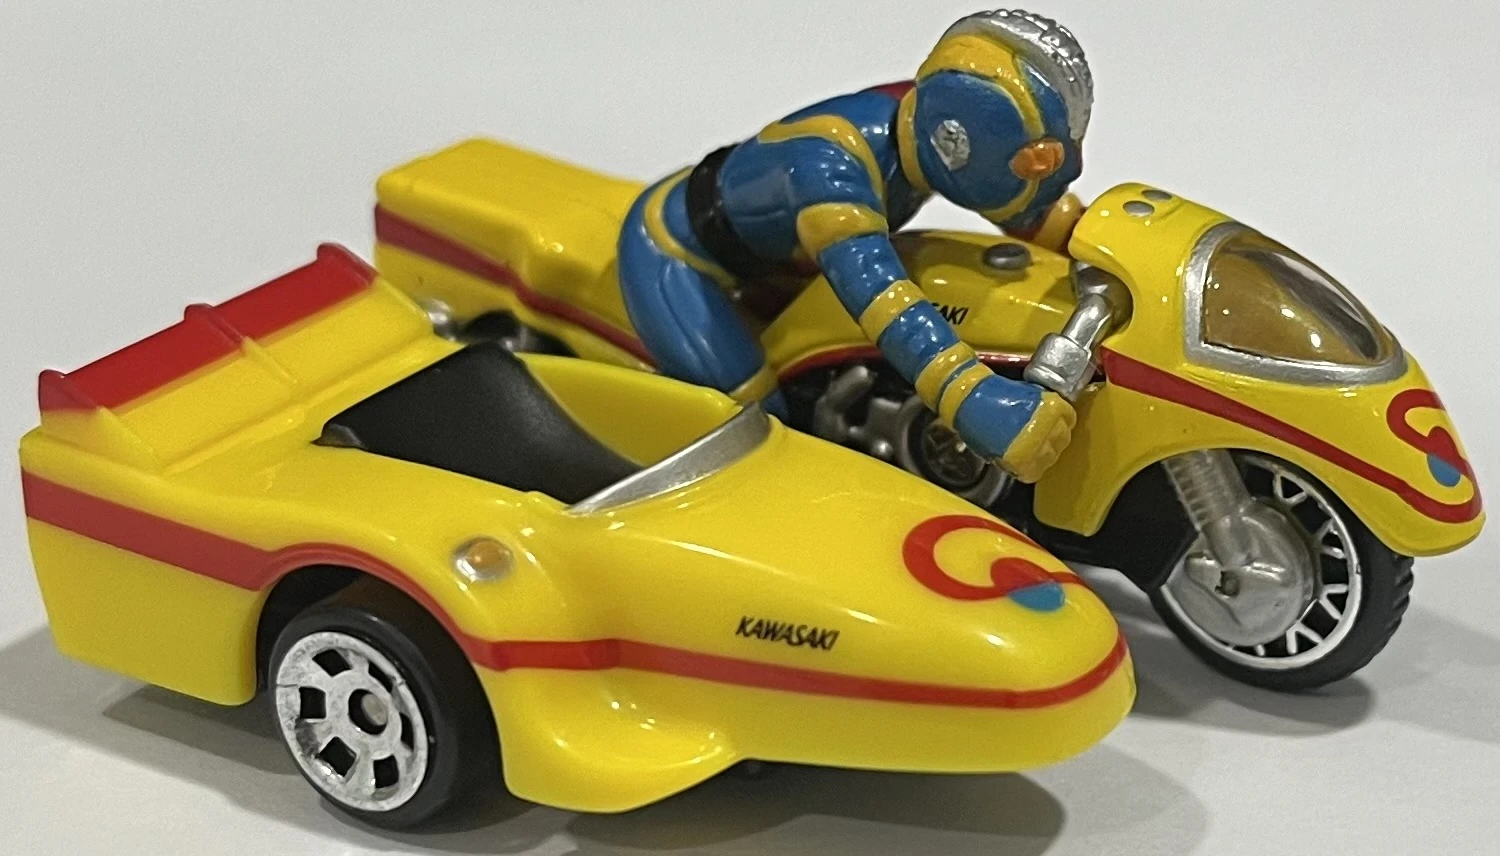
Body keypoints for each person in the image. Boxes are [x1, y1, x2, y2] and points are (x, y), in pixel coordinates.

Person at [617, 9, 1091, 483]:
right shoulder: (832, 169)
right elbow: (881, 296)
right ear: (954, 139)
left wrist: (1099, 243)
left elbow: (1024, 209)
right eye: (1030, 163)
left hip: (780, 256)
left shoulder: (921, 120)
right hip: (676, 257)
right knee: (759, 425)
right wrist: (969, 395)